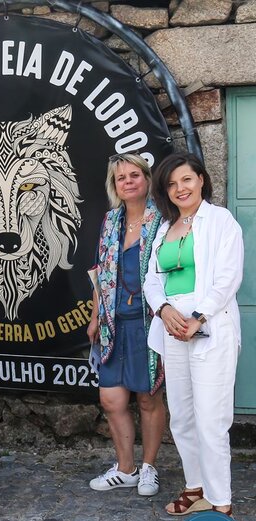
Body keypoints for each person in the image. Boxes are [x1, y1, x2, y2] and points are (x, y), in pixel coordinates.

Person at [144, 152, 243, 516]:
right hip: (173, 331)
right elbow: (152, 281)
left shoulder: (220, 221)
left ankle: (221, 502)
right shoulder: (165, 229)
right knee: (182, 416)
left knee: (211, 418)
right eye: (171, 184)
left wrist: (198, 318)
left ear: (201, 179)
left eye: (186, 179)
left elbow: (229, 277)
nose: (179, 188)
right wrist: (165, 310)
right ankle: (195, 487)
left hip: (209, 330)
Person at [87, 153, 166, 496]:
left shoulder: (162, 220)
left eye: (135, 175)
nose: (129, 181)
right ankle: (125, 468)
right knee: (111, 400)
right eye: (122, 178)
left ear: (147, 179)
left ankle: (148, 467)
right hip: (112, 324)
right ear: (114, 185)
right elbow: (100, 274)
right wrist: (94, 317)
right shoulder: (110, 221)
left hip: (149, 323)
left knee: (148, 398)